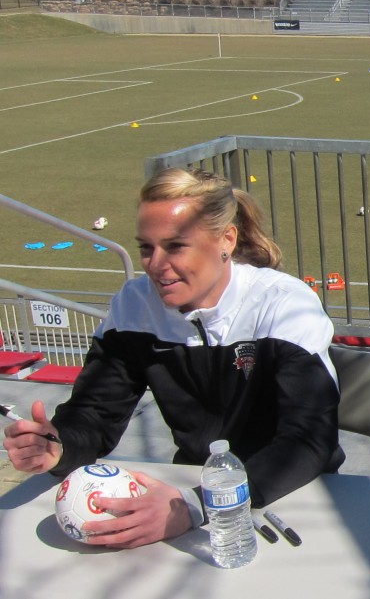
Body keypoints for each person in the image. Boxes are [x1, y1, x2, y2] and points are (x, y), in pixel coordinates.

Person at [3, 167, 344, 549]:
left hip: (295, 495)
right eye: (146, 248)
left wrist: (199, 505)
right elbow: (96, 412)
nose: (156, 264)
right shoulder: (135, 305)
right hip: (190, 492)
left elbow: (308, 439)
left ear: (225, 240)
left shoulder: (283, 304)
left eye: (176, 246)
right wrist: (60, 445)